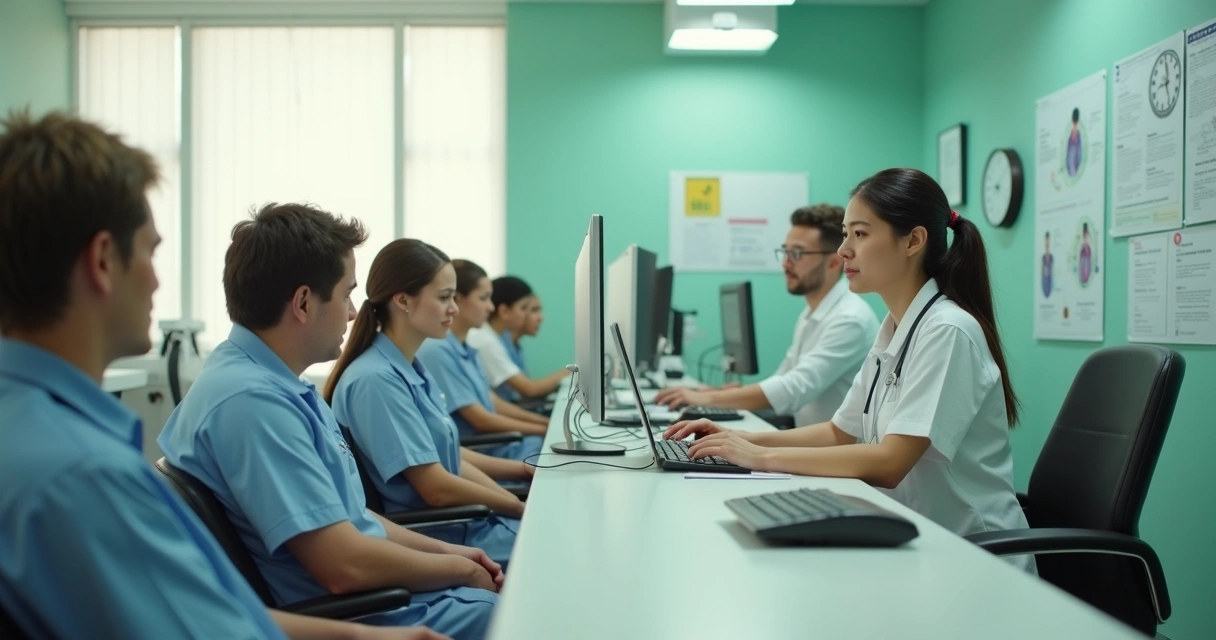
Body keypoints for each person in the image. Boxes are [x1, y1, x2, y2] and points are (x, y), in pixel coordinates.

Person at [0, 110, 445, 640]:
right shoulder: (79, 473)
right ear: (102, 261)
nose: (158, 279)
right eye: (150, 252)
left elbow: (214, 616)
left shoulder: (43, 436)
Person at [158, 204, 501, 640]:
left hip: (372, 599)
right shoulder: (253, 402)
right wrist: (457, 570)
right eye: (345, 295)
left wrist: (457, 557)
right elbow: (345, 565)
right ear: (303, 302)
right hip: (352, 615)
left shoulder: (281, 385)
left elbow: (356, 519)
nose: (355, 311)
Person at [665, 168, 1035, 574]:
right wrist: (738, 438)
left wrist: (761, 456)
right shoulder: (896, 326)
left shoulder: (947, 330)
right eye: (845, 234)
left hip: (974, 557)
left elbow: (890, 463)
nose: (844, 250)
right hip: (916, 539)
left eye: (859, 234)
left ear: (913, 241)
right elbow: (838, 431)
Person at [325, 240, 529, 568]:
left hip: (464, 525)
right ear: (403, 300)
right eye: (445, 297)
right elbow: (437, 489)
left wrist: (515, 491)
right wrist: (518, 507)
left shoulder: (410, 367)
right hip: (442, 537)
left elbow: (447, 458)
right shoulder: (375, 380)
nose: (454, 309)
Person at [655, 204, 879, 427]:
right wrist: (717, 394)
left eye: (797, 253)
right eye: (785, 251)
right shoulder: (811, 314)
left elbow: (793, 389)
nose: (785, 262)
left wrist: (705, 399)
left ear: (833, 262)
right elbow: (782, 378)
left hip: (833, 455)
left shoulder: (850, 320)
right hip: (808, 442)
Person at [416, 260, 547, 462]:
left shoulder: (465, 347)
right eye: (484, 298)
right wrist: (543, 428)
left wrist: (545, 424)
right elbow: (482, 420)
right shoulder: (438, 349)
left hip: (501, 445)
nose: (490, 307)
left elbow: (493, 402)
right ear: (458, 301)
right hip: (487, 451)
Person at [466, 276, 568, 404]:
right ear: (504, 311)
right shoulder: (485, 340)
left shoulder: (502, 340)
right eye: (524, 308)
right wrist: (572, 370)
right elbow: (529, 389)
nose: (527, 315)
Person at [1066, 107, 1083, 177]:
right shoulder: (1072, 134)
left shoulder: (1077, 135)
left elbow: (1079, 154)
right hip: (1071, 164)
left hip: (1074, 164)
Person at [1041, 232, 1053, 298]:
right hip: (1045, 288)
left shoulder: (1051, 258)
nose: (1047, 243)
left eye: (1048, 241)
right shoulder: (1043, 259)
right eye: (1046, 241)